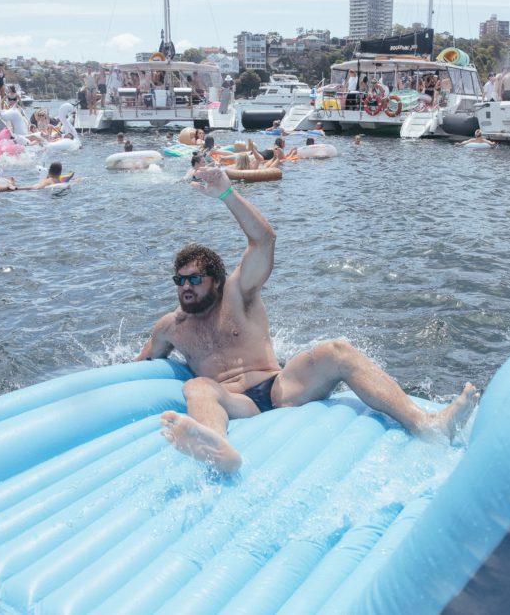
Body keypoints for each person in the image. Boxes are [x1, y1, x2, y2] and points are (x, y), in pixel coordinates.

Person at [137, 167, 480, 473]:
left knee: (338, 350)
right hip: (234, 402)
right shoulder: (172, 327)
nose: (186, 287)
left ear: (215, 280)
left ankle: (427, 425)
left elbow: (264, 239)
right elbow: (138, 365)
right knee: (197, 386)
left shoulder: (239, 292)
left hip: (279, 388)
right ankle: (214, 446)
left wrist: (227, 193)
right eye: (180, 281)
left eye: (195, 280)